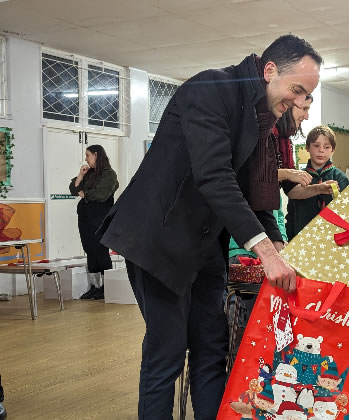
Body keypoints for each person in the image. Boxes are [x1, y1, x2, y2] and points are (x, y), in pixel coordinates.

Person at [98, 34, 321, 419]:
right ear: (270, 71)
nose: (300, 104)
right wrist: (264, 251)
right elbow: (215, 177)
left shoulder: (261, 115)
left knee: (211, 349)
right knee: (166, 352)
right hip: (158, 240)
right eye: (297, 91)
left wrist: (279, 244)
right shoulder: (212, 88)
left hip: (204, 246)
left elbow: (256, 191)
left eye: (307, 97)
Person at [69, 145, 119, 300]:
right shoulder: (89, 173)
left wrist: (84, 194)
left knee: (100, 249)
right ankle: (94, 286)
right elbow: (73, 189)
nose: (86, 158)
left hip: (100, 217)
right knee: (89, 249)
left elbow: (101, 194)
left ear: (96, 155)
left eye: (88, 155)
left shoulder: (109, 174)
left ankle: (106, 286)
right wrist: (80, 176)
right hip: (85, 216)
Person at [283, 125, 349, 241]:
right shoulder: (298, 178)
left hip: (331, 239)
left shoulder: (340, 178)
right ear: (307, 147)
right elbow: (292, 213)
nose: (321, 150)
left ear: (332, 150)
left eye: (327, 147)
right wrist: (289, 240)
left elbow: (347, 212)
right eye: (316, 145)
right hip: (301, 238)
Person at [277, 96, 315, 187]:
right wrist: (288, 174)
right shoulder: (266, 135)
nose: (307, 117)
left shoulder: (286, 140)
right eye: (304, 108)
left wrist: (320, 189)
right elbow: (256, 175)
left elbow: (291, 189)